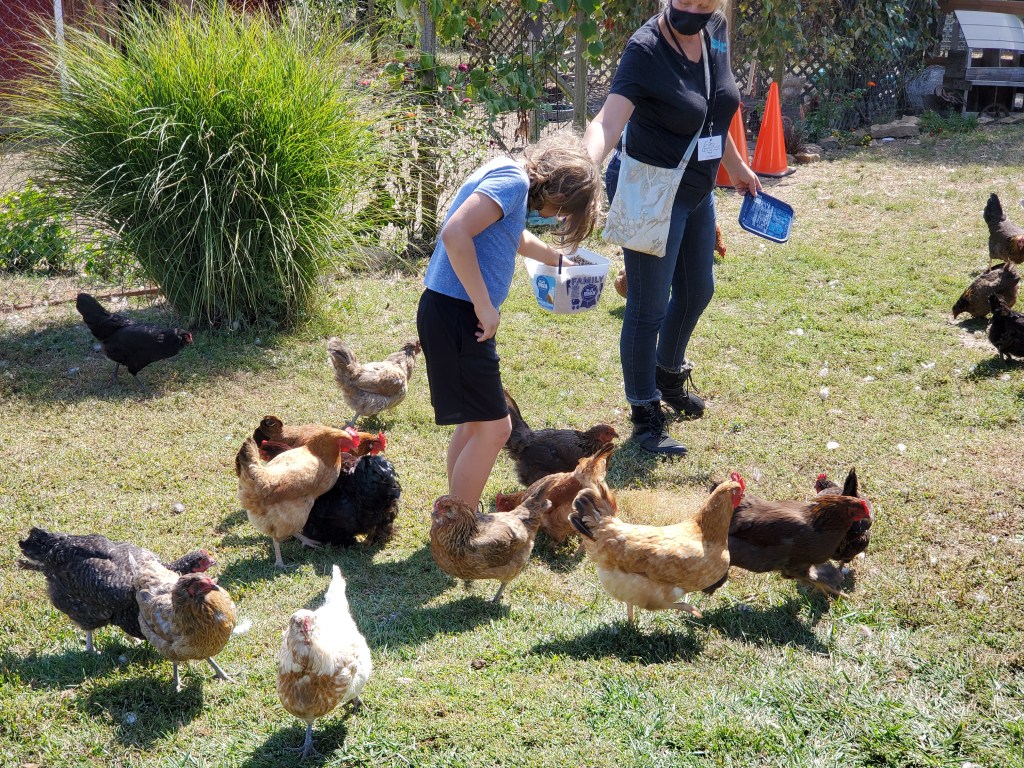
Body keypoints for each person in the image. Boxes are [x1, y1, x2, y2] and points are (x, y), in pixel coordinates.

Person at [583, 0, 761, 456]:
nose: (695, 8)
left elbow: (716, 107)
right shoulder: (644, 49)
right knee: (647, 307)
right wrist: (583, 162)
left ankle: (666, 375)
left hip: (695, 189)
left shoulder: (716, 30)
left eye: (705, 1)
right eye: (686, 0)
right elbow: (608, 118)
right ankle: (644, 415)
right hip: (648, 189)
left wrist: (736, 165)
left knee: (698, 289)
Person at [416, 133, 601, 511]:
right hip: (459, 314)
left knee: (475, 423)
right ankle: (460, 528)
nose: (557, 219)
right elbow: (455, 233)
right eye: (564, 213)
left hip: (450, 311)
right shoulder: (513, 182)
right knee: (496, 429)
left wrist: (557, 259)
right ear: (559, 193)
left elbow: (511, 235)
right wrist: (484, 305)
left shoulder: (508, 175)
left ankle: (453, 512)